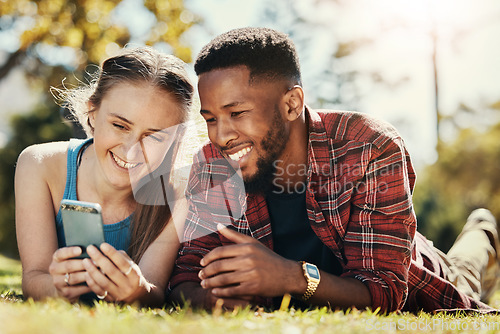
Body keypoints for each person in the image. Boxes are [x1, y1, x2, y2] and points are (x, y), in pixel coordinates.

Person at [167, 27, 500, 313]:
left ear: (291, 104)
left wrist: (289, 276)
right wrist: (213, 302)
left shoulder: (369, 146)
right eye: (210, 118)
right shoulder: (212, 166)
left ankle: (482, 231)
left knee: (464, 271)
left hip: (422, 275)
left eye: (237, 113)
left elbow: (385, 292)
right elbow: (185, 275)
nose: (220, 135)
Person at [15, 46, 194, 307]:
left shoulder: (177, 195)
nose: (131, 150)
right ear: (93, 113)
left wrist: (136, 291)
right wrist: (58, 287)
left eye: (154, 136)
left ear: (175, 141)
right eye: (120, 126)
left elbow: (153, 294)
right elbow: (33, 279)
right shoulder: (39, 165)